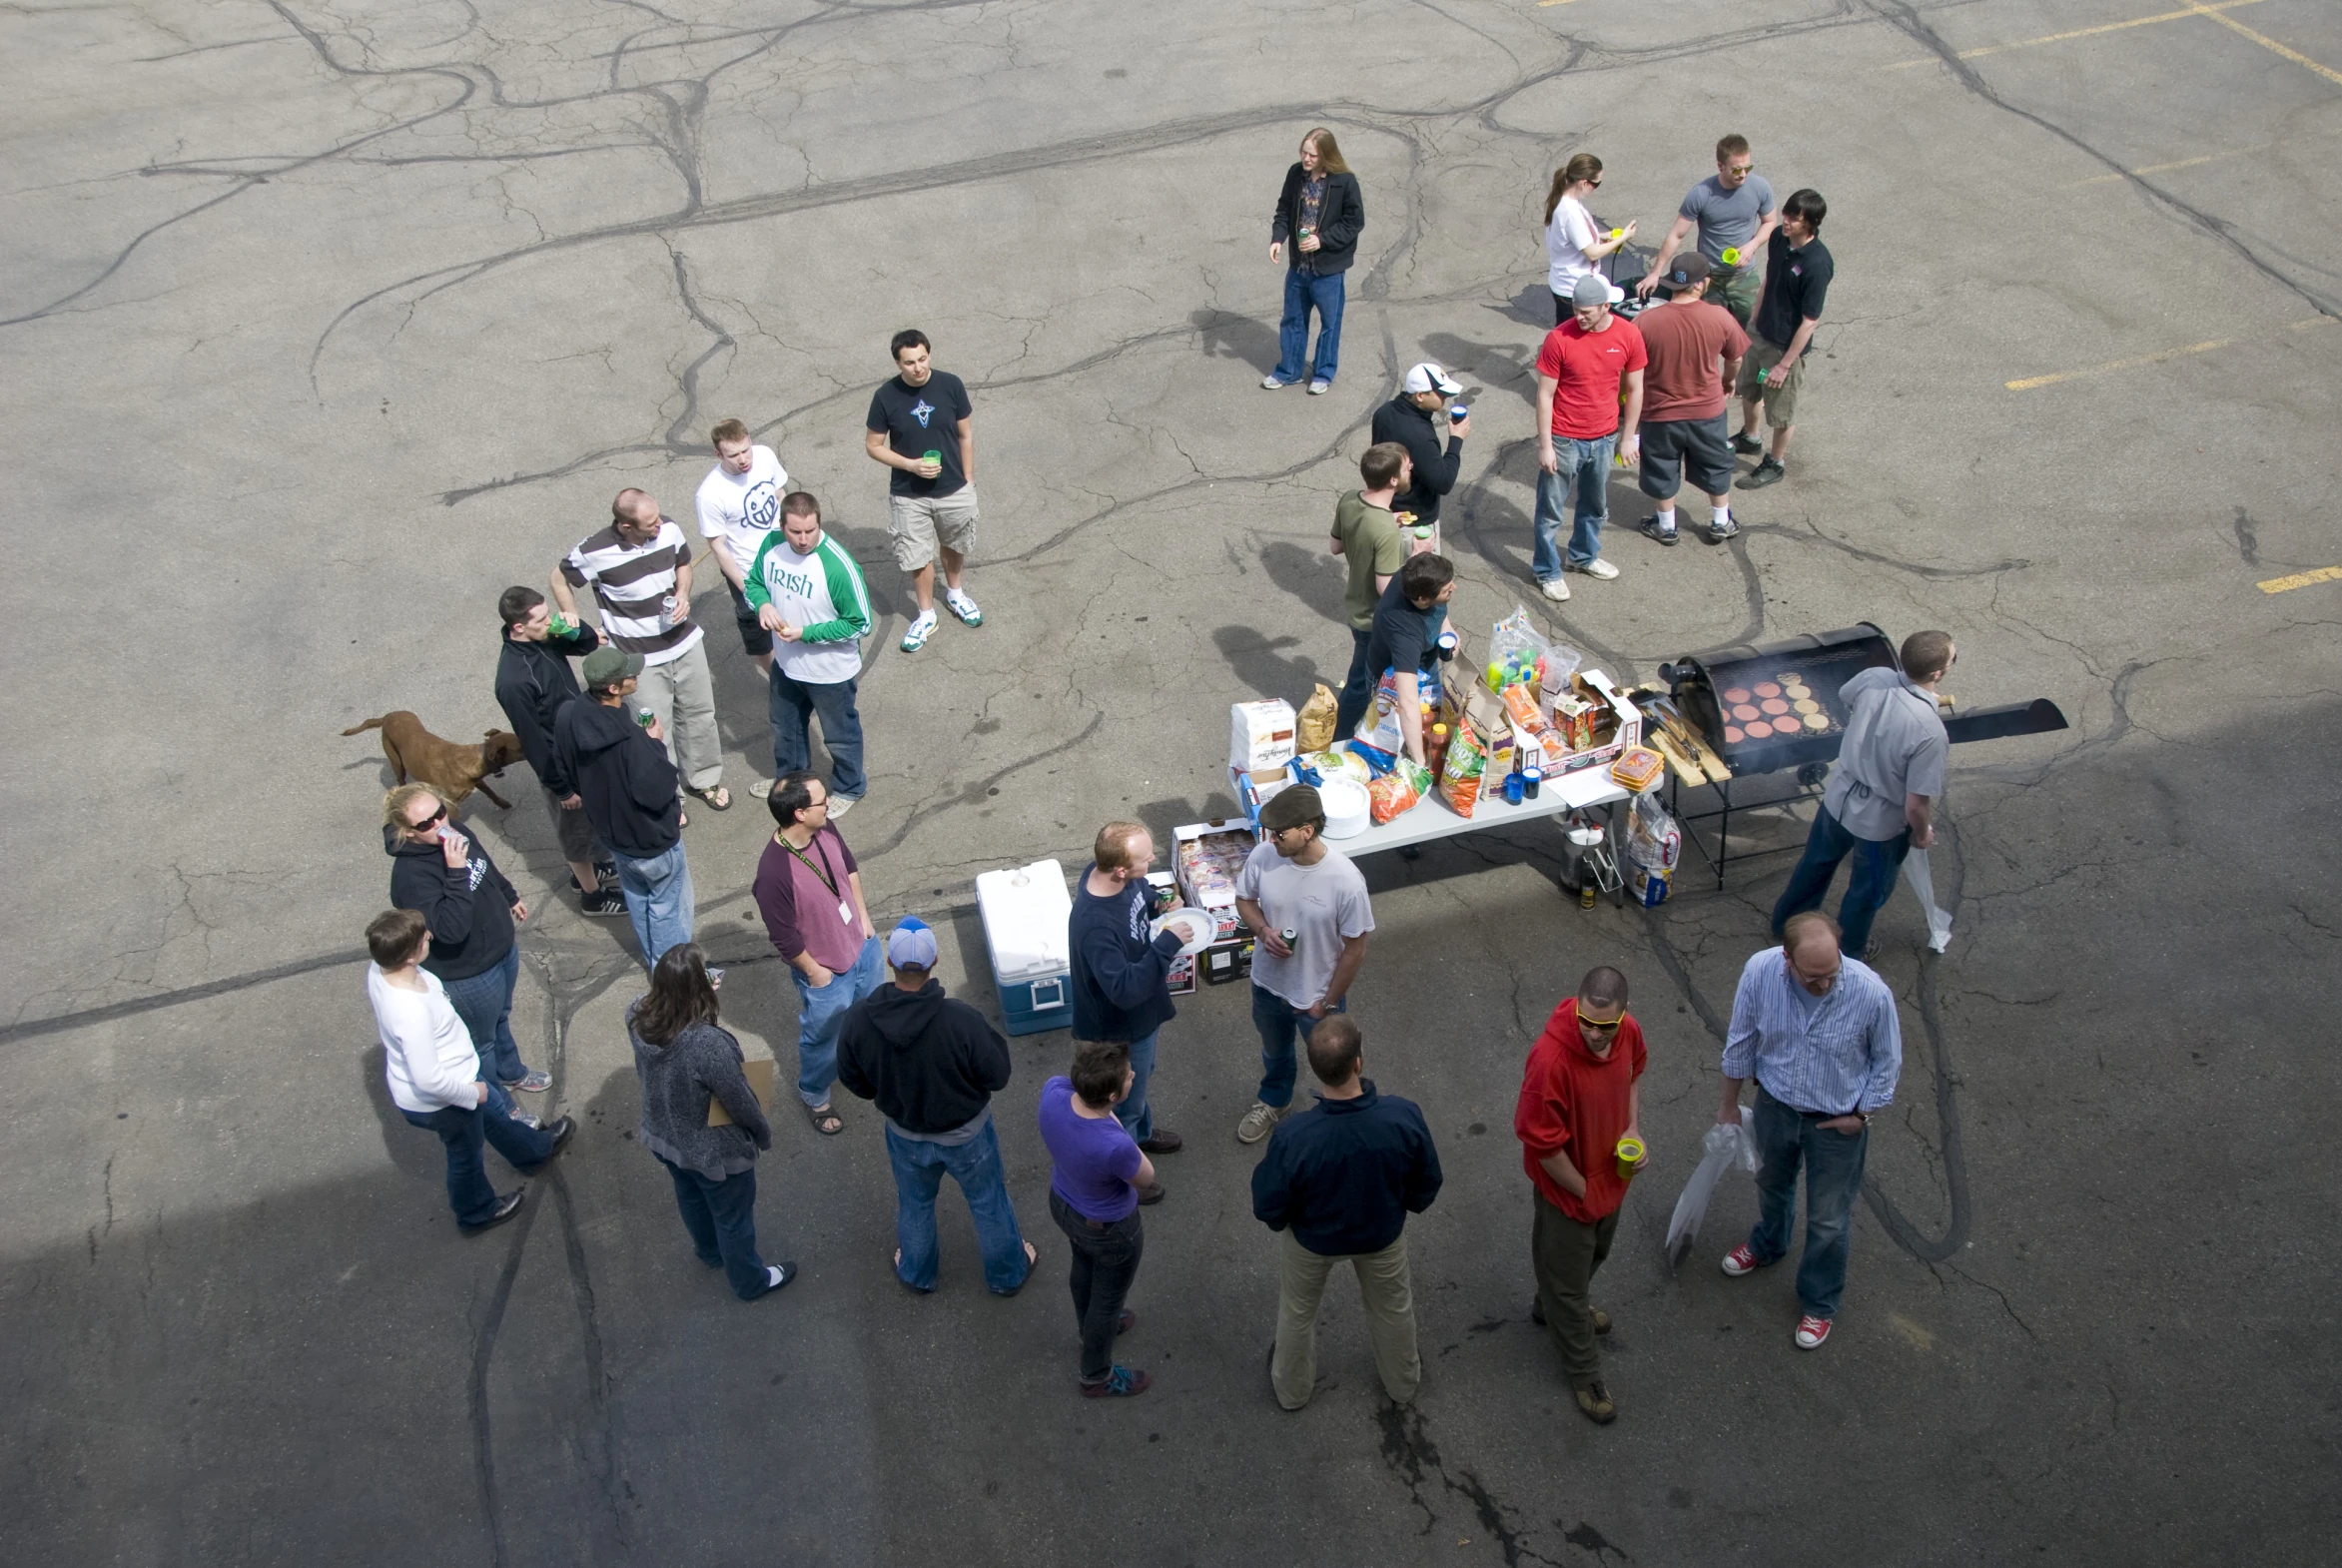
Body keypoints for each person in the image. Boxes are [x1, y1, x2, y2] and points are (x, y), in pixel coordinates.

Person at [1718, 913, 1902, 1351]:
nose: (1823, 985)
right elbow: (1741, 1040)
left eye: (1830, 973)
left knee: (1828, 1218)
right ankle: (1769, 1244)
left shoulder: (1870, 992)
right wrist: (1728, 1105)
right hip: (1775, 1107)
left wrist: (1863, 1116)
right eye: (1812, 977)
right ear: (1787, 960)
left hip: (1834, 1123)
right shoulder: (1760, 971)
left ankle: (1819, 1303)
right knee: (1771, 1185)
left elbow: (1887, 1061)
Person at [1251, 1017, 1442, 1411]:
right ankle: (1402, 1385)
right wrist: (1400, 1206)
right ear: (1359, 1061)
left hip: (1312, 1241)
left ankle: (1292, 1393)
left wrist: (1284, 1223)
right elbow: (1427, 1182)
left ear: (1315, 1066)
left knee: (1297, 1314)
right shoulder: (1402, 1116)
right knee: (1393, 1309)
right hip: (1381, 1235)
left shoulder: (1294, 1136)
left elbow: (1268, 1201)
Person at [838, 917, 1035, 1294]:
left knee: (915, 1204)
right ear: (935, 962)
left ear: (891, 962)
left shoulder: (859, 1018)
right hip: (967, 1136)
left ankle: (917, 1273)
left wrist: (885, 1096)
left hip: (905, 1134)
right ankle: (1008, 1276)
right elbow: (998, 1074)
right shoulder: (961, 1020)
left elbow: (852, 1078)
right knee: (988, 1201)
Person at [366, 908, 570, 1233]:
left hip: (462, 1077)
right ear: (407, 957)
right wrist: (470, 1093)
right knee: (466, 1155)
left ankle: (534, 1151)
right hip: (446, 1098)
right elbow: (428, 1078)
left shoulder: (381, 970)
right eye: (423, 937)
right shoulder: (409, 1011)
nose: (430, 936)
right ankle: (476, 1211)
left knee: (495, 1118)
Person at [1513, 967, 1645, 1424]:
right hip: (1570, 1190)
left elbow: (1631, 1076)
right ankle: (1584, 1373)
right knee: (1569, 1284)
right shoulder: (1550, 1060)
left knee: (1592, 1256)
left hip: (1612, 1180)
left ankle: (1545, 1306)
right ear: (1576, 1005)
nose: (1593, 1032)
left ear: (1622, 1015)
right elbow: (1542, 1145)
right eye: (1585, 1020)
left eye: (1604, 1025)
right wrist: (1584, 1190)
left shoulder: (1627, 1032)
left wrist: (1631, 1128)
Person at [628, 943, 796, 1300]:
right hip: (712, 1153)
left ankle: (709, 1252)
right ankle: (750, 1282)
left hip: (664, 1137)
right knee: (733, 1219)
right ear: (699, 988)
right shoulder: (708, 1045)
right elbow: (741, 1102)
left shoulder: (637, 1015)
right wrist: (762, 1135)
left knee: (689, 1195)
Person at [1771, 631, 1953, 957]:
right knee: (1866, 891)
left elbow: (1845, 696)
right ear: (1938, 673)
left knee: (1815, 864)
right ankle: (1848, 951)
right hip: (1879, 822)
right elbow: (1915, 803)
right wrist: (1922, 833)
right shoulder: (1930, 731)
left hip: (1838, 797)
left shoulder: (1875, 677)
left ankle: (1786, 925)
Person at [552, 487, 730, 811]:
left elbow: (684, 565)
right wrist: (574, 620)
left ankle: (705, 779)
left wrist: (683, 593)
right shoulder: (596, 551)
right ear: (626, 527)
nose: (660, 524)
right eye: (650, 522)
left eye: (658, 516)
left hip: (685, 642)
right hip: (640, 657)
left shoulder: (669, 529)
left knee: (700, 715)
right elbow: (559, 579)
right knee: (654, 729)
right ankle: (669, 794)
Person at [381, 783, 550, 1096]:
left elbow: (485, 865)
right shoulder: (410, 877)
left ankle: (512, 1072)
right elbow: (450, 930)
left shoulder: (455, 830)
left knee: (501, 1017)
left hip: (501, 950)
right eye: (426, 824)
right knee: (481, 1043)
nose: (440, 825)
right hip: (469, 973)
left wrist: (508, 894)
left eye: (441, 813)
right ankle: (499, 1104)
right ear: (408, 832)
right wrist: (456, 871)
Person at [1233, 785, 1374, 1145]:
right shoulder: (1265, 856)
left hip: (1315, 997)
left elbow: (1355, 949)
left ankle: (1348, 1123)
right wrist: (1263, 931)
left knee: (1336, 1066)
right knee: (1275, 1053)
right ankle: (1275, 1102)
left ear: (1307, 832)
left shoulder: (1345, 881)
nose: (1271, 839)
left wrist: (1326, 1001)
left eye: (1279, 833)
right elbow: (1244, 900)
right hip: (1267, 987)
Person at [752, 771, 882, 1136]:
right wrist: (816, 973)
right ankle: (815, 1095)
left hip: (862, 948)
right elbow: (784, 937)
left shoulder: (823, 829)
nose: (829, 805)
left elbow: (849, 868)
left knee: (871, 1016)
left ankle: (865, 1065)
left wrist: (864, 919)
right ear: (799, 813)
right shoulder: (773, 873)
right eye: (821, 801)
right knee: (823, 1039)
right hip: (827, 971)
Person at [1069, 821, 1187, 1201]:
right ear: (1119, 868)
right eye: (1146, 857)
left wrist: (1158, 903)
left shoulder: (1114, 876)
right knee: (1127, 1101)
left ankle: (1143, 1133)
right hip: (1122, 1026)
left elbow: (1140, 896)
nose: (1153, 859)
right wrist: (1168, 943)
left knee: (1143, 1079)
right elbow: (1123, 990)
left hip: (1142, 1016)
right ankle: (1130, 1176)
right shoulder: (1095, 926)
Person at [554, 645, 694, 965]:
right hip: (652, 842)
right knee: (668, 912)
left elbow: (564, 769)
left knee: (639, 900)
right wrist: (655, 744)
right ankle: (675, 979)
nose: (636, 676)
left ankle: (655, 961)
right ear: (614, 688)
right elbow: (658, 792)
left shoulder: (568, 715)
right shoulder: (633, 742)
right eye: (630, 675)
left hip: (613, 836)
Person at [493, 586, 624, 917]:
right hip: (561, 763)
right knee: (575, 832)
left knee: (589, 820)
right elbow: (532, 739)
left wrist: (572, 624)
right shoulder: (512, 680)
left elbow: (591, 644)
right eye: (541, 618)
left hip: (580, 743)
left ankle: (594, 869)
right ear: (518, 626)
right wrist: (561, 786)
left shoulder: (544, 636)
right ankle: (592, 895)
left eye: (548, 612)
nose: (549, 621)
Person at [1037, 1040, 1157, 1397]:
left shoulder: (1054, 1091)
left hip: (1064, 1205)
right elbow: (1146, 1177)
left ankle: (1087, 1328)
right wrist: (1115, 1123)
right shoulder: (1113, 1145)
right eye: (1127, 1077)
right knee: (1107, 1300)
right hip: (1109, 1229)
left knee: (1083, 1268)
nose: (1132, 1075)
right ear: (1111, 1096)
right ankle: (1096, 1375)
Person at [742, 491, 873, 814]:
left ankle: (850, 787)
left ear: (819, 524)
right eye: (795, 532)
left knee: (839, 735)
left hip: (830, 672)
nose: (803, 540)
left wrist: (806, 634)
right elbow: (753, 583)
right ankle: (792, 785)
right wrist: (764, 604)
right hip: (786, 666)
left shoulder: (837, 566)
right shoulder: (771, 545)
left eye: (810, 531)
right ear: (782, 526)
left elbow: (860, 624)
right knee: (786, 730)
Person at [865, 329, 982, 654]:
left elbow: (965, 435)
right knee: (917, 557)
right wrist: (910, 465)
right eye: (910, 362)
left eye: (922, 359)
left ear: (929, 354)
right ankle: (926, 615)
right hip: (908, 493)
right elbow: (873, 446)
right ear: (898, 363)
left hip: (954, 488)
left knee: (955, 543)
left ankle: (956, 594)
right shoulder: (885, 396)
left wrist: (968, 477)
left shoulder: (951, 385)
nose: (918, 367)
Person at [1533, 274, 1647, 600]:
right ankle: (1547, 570)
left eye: (1587, 311)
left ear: (1606, 306)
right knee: (1551, 511)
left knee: (1595, 505)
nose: (1579, 317)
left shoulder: (1628, 335)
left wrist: (1628, 437)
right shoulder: (1559, 339)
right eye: (1575, 309)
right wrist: (1546, 445)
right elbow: (1545, 396)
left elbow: (1635, 388)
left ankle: (1583, 557)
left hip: (1605, 437)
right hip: (1565, 439)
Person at [1631, 253, 1750, 548]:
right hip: (1707, 410)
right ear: (1701, 284)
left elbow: (1629, 369)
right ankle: (1721, 521)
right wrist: (1728, 380)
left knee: (1660, 465)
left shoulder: (1644, 321)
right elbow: (1735, 358)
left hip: (1659, 412)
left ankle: (1666, 526)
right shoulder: (1720, 317)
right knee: (1716, 463)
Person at [1734, 188, 1834, 490]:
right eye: (1787, 214)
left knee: (1780, 410)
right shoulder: (1779, 238)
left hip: (1783, 349)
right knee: (1750, 388)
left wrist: (1785, 365)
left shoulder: (1817, 263)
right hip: (1760, 333)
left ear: (1812, 223)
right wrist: (1753, 318)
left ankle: (1775, 462)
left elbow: (1810, 321)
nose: (1786, 221)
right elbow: (1770, 278)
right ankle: (1750, 438)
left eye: (1795, 218)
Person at [1636, 134, 1777, 327]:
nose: (1743, 174)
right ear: (1720, 166)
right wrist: (1655, 272)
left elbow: (1769, 222)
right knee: (1706, 331)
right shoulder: (1701, 194)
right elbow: (1676, 234)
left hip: (1744, 276)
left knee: (1749, 331)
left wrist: (1752, 246)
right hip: (1709, 278)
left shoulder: (1760, 187)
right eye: (1736, 169)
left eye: (1747, 168)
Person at [1263, 128, 1365, 394]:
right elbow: (1284, 209)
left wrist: (1322, 240)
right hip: (1299, 266)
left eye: (1312, 154)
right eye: (1303, 152)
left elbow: (1354, 222)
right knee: (1293, 320)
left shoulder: (1345, 181)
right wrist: (1278, 238)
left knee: (1330, 324)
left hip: (1328, 268)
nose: (1306, 159)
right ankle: (1289, 371)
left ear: (1326, 155)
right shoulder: (1296, 174)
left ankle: (1323, 373)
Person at [694, 418, 789, 679]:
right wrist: (747, 587)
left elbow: (780, 495)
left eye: (746, 450)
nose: (743, 459)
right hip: (749, 569)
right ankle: (777, 680)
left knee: (796, 611)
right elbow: (718, 547)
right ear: (718, 454)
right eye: (733, 455)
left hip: (785, 555)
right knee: (756, 624)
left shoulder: (765, 456)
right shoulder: (710, 494)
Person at [1329, 442, 1412, 738]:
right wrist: (1415, 556)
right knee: (1362, 684)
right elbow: (1385, 587)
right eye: (1406, 467)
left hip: (1355, 607)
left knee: (1365, 678)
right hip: (1373, 619)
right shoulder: (1386, 531)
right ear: (1392, 480)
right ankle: (1340, 739)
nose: (1411, 469)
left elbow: (1336, 546)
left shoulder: (1350, 499)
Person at [1360, 552, 1457, 767]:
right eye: (1446, 590)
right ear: (1423, 599)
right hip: (1392, 682)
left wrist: (1446, 627)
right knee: (1397, 735)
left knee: (1429, 717)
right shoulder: (1405, 634)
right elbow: (1407, 702)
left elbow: (1439, 609)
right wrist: (1421, 763)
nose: (1454, 588)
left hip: (1424, 661)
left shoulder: (1416, 572)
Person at [1370, 363, 1469, 532]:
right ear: (1421, 395)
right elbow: (1443, 482)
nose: (1445, 397)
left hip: (1385, 508)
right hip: (1414, 522)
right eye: (1441, 393)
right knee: (1421, 560)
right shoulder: (1419, 436)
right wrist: (1456, 439)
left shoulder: (1384, 412)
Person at [1539, 154, 1637, 324]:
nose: (1596, 188)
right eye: (1596, 184)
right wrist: (1623, 238)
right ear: (1584, 182)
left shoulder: (1563, 201)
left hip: (1565, 284)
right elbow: (1592, 253)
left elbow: (1572, 236)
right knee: (1573, 341)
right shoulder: (1571, 213)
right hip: (1573, 289)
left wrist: (1602, 236)